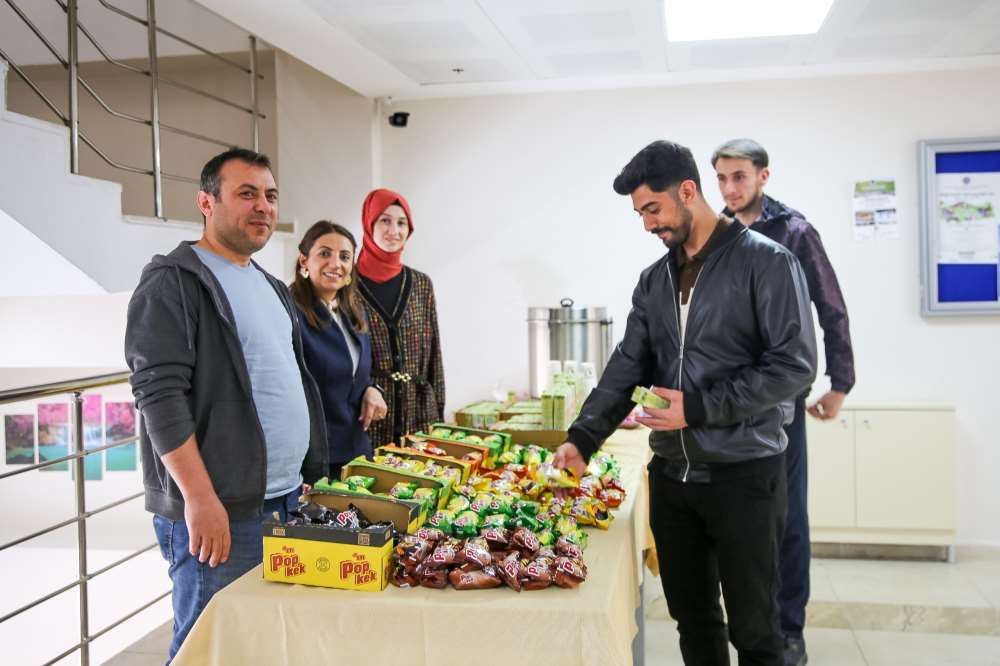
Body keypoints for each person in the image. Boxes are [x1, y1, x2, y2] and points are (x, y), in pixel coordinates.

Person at [553, 140, 817, 665]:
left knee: (757, 632)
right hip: (674, 479)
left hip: (746, 475)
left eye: (653, 208)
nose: (648, 224)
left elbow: (794, 365)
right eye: (640, 213)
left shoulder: (768, 263)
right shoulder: (654, 280)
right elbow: (627, 366)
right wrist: (582, 440)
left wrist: (696, 408)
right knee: (694, 624)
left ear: (688, 191)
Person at [124, 148, 327, 661]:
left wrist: (304, 471)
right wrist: (198, 497)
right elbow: (158, 396)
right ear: (206, 202)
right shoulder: (173, 281)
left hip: (283, 501)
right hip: (222, 511)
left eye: (270, 195)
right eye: (247, 194)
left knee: (261, 646)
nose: (263, 206)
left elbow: (284, 381)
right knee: (206, 649)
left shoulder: (271, 287)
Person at [712, 138, 855, 666]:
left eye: (739, 177)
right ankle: (750, 625)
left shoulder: (795, 232)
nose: (730, 188)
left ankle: (788, 630)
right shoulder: (716, 234)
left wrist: (841, 382)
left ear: (763, 176)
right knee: (737, 519)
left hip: (781, 399)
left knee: (787, 516)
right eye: (722, 178)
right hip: (726, 399)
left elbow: (831, 308)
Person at [290, 220, 388, 481]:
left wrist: (372, 389)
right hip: (314, 458)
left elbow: (356, 371)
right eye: (325, 253)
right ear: (304, 260)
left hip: (356, 450)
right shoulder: (289, 313)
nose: (336, 264)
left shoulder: (352, 311)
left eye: (344, 257)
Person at [355, 188, 445, 446]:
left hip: (419, 418)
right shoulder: (347, 285)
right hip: (367, 418)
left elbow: (434, 356)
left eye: (401, 223)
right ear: (369, 223)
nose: (394, 230)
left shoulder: (421, 284)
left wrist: (439, 419)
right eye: (385, 220)